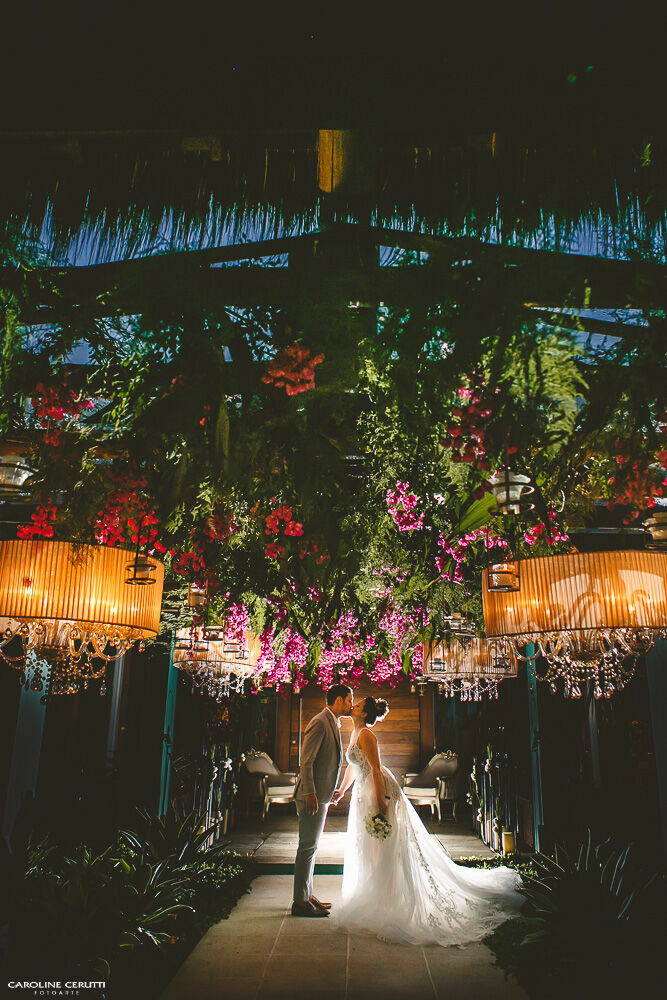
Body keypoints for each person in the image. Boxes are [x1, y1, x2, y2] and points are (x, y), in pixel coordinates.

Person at [331, 696, 523, 945]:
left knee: (384, 843)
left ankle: (389, 898)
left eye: (356, 705)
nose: (352, 706)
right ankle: (376, 894)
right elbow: (353, 767)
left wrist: (381, 801)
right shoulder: (355, 732)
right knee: (370, 844)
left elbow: (375, 769)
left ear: (364, 713)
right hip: (363, 791)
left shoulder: (367, 735)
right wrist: (342, 790)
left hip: (377, 789)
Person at [292, 683, 353, 917]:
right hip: (312, 796)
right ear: (338, 700)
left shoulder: (331, 721)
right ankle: (300, 902)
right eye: (349, 700)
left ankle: (307, 895)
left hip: (321, 795)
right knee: (307, 847)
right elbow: (306, 761)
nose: (351, 705)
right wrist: (310, 793)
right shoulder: (320, 722)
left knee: (312, 847)